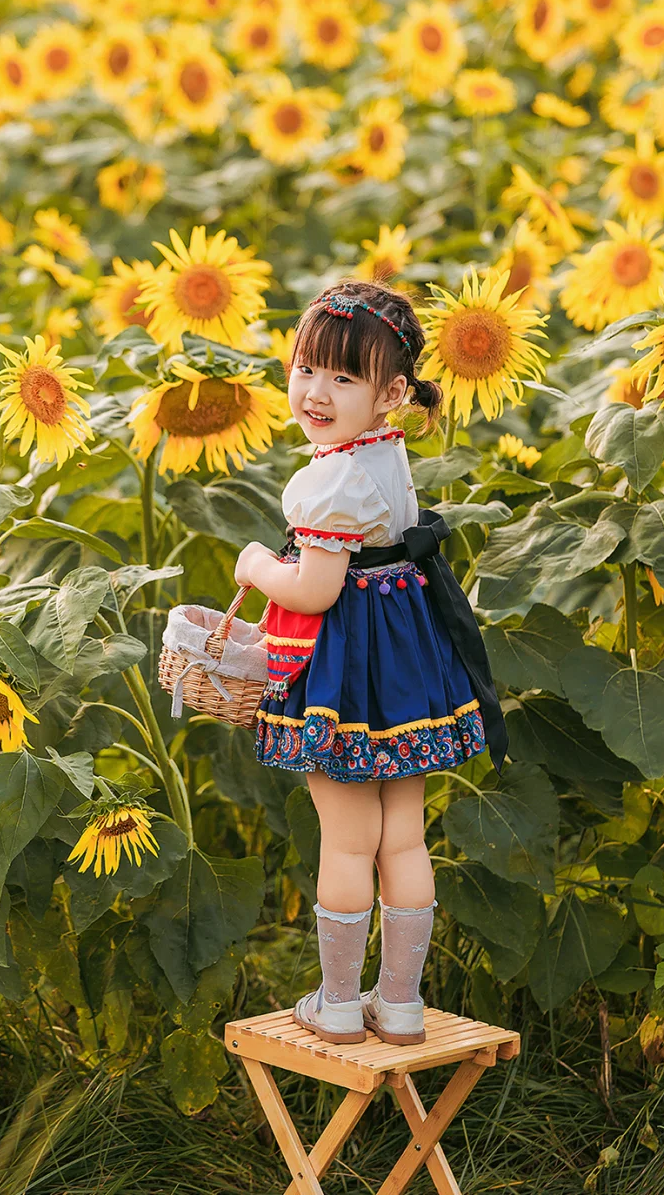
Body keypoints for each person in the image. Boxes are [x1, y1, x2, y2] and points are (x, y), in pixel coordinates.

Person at [233, 279, 507, 1045]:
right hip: (405, 664)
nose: (316, 392)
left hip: (345, 672)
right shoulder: (383, 452)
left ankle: (341, 1003)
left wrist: (258, 563)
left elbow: (314, 591)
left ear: (389, 392)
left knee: (349, 840)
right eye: (306, 370)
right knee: (404, 838)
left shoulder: (330, 480)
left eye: (343, 377)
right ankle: (404, 1003)